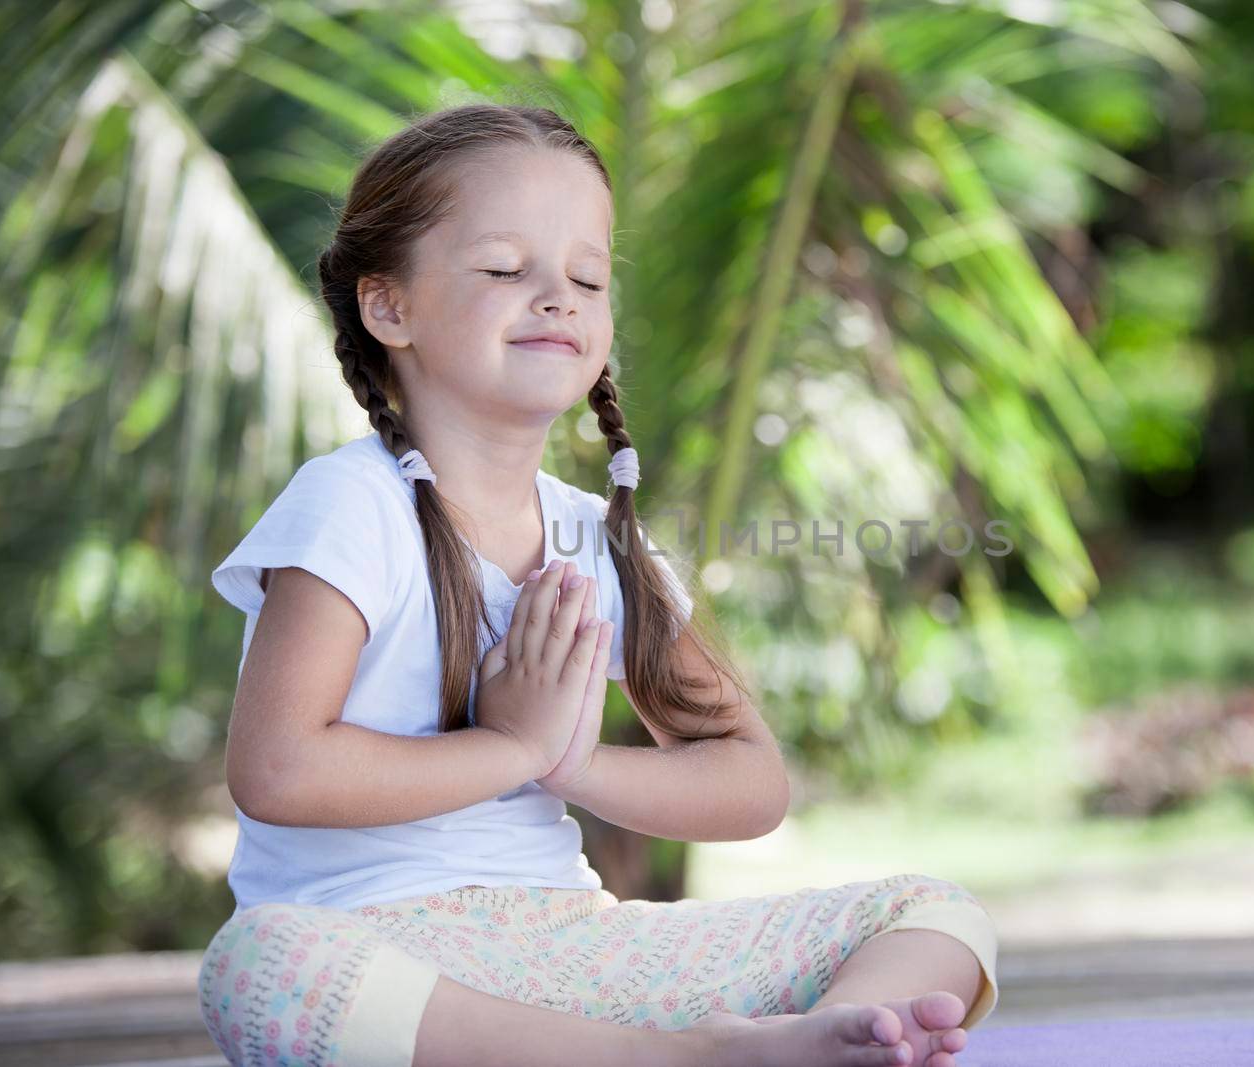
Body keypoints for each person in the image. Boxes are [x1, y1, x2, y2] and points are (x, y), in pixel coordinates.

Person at [195, 102, 999, 1067]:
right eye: (503, 269)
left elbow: (750, 780)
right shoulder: (349, 504)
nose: (557, 297)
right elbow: (277, 771)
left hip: (570, 946)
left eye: (586, 275)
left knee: (932, 915)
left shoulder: (594, 535)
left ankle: (824, 1046)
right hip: (378, 955)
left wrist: (570, 766)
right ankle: (699, 1057)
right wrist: (511, 744)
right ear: (389, 306)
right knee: (260, 965)